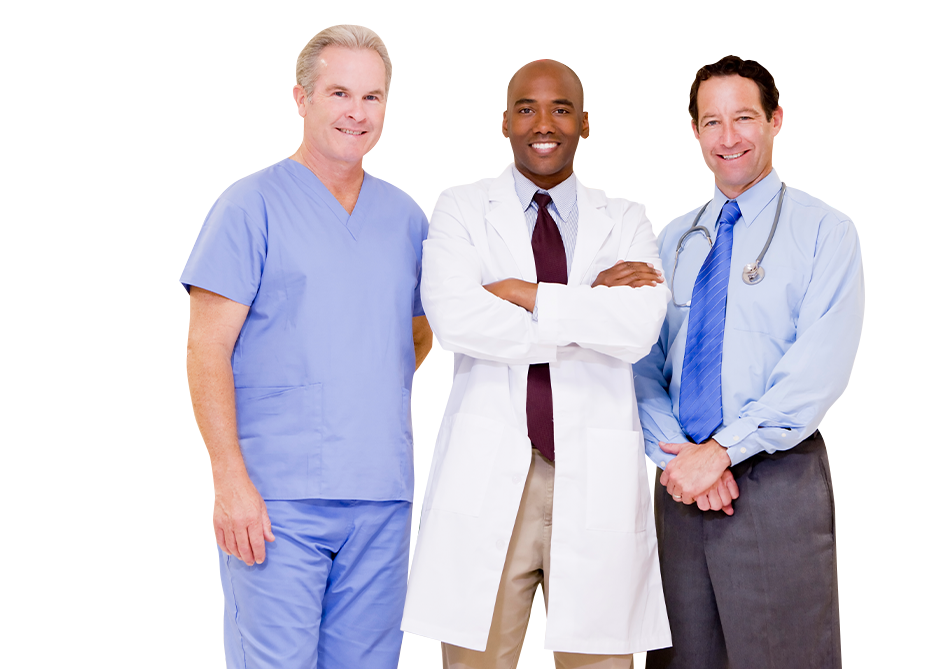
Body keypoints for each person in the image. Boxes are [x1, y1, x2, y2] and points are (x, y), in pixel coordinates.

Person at [401, 57, 673, 669]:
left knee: (598, 660)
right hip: (494, 468)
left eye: (559, 108)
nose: (542, 123)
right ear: (503, 122)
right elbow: (456, 319)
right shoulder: (464, 209)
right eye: (526, 108)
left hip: (593, 473)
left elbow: (636, 329)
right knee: (477, 659)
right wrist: (588, 309)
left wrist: (522, 292)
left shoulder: (624, 218)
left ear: (583, 122)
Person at [179, 24, 433, 669]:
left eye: (373, 97)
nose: (357, 112)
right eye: (340, 92)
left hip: (380, 490)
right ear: (302, 98)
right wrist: (230, 480)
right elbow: (205, 350)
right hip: (274, 496)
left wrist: (361, 378)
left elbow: (417, 331)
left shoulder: (406, 218)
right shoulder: (249, 205)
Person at [633, 50, 864, 669]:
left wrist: (722, 452)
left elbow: (815, 373)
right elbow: (642, 362)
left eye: (744, 118)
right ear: (697, 132)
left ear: (775, 120)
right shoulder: (672, 241)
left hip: (776, 481)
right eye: (712, 122)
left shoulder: (825, 232)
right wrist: (677, 454)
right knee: (679, 659)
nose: (728, 137)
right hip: (682, 485)